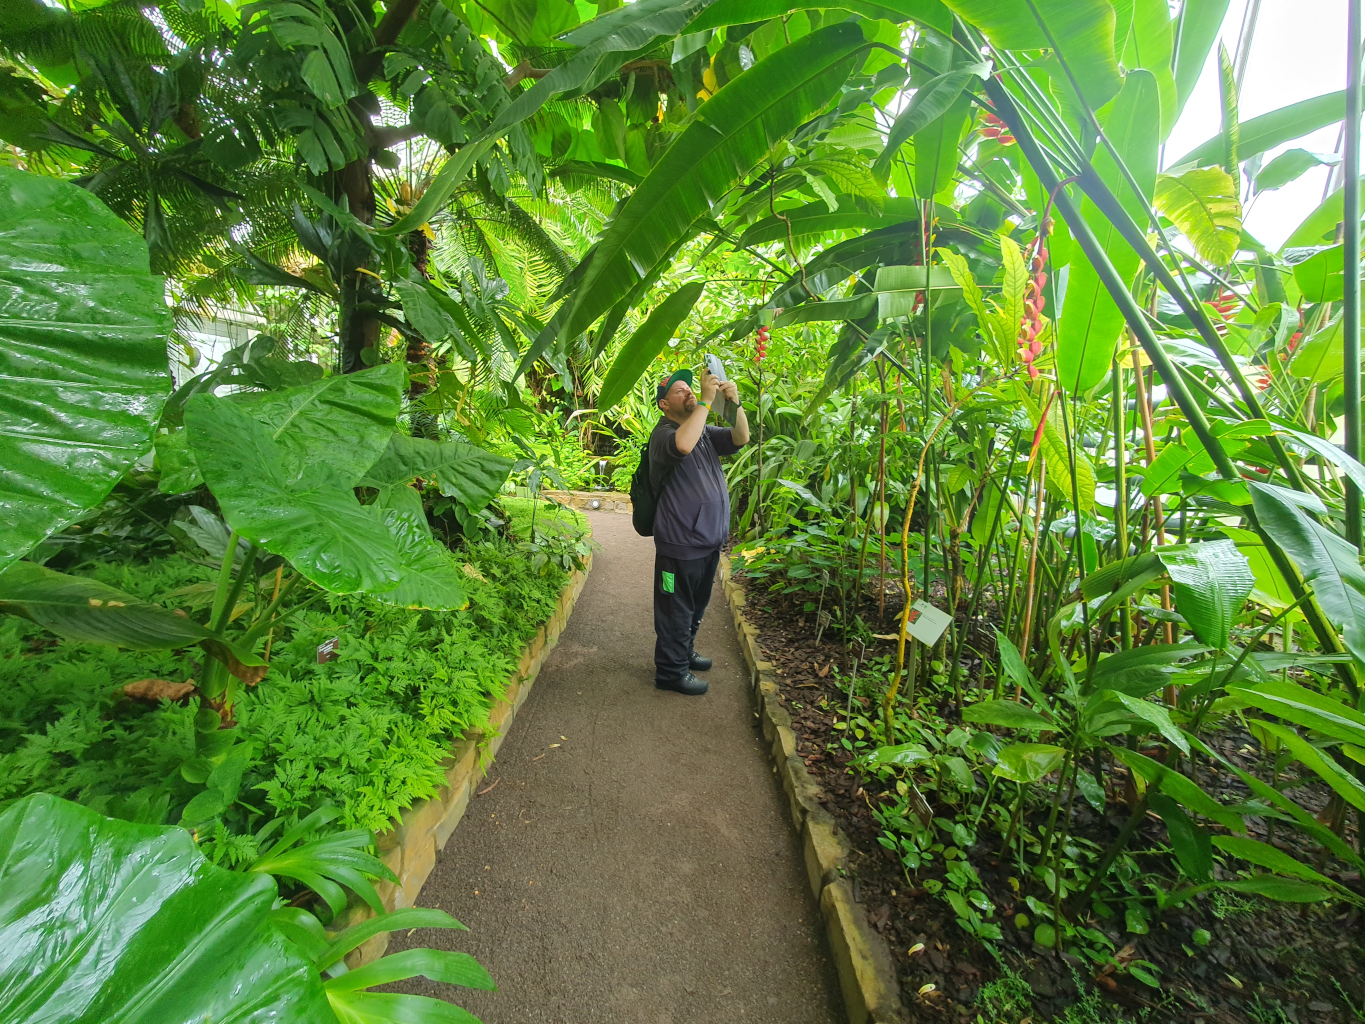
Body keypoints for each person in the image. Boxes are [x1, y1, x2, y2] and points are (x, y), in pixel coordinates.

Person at [648, 366, 750, 695]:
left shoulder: (702, 430)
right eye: (680, 390)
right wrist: (707, 400)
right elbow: (683, 445)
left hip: (707, 542)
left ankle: (684, 652)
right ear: (665, 405)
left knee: (695, 606)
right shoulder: (664, 435)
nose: (689, 392)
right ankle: (670, 671)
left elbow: (740, 438)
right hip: (680, 545)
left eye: (690, 388)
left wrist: (733, 404)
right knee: (674, 608)